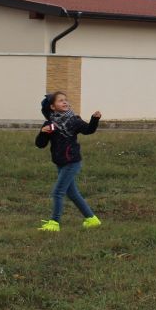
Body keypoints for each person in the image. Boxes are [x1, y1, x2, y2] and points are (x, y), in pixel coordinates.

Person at [35, 91, 103, 231]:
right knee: (72, 193)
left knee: (58, 192)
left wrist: (94, 119)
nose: (65, 102)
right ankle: (92, 219)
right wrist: (43, 132)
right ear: (52, 107)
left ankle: (54, 223)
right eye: (60, 100)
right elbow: (40, 144)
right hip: (60, 163)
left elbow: (88, 130)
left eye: (65, 100)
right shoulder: (50, 124)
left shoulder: (74, 120)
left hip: (72, 162)